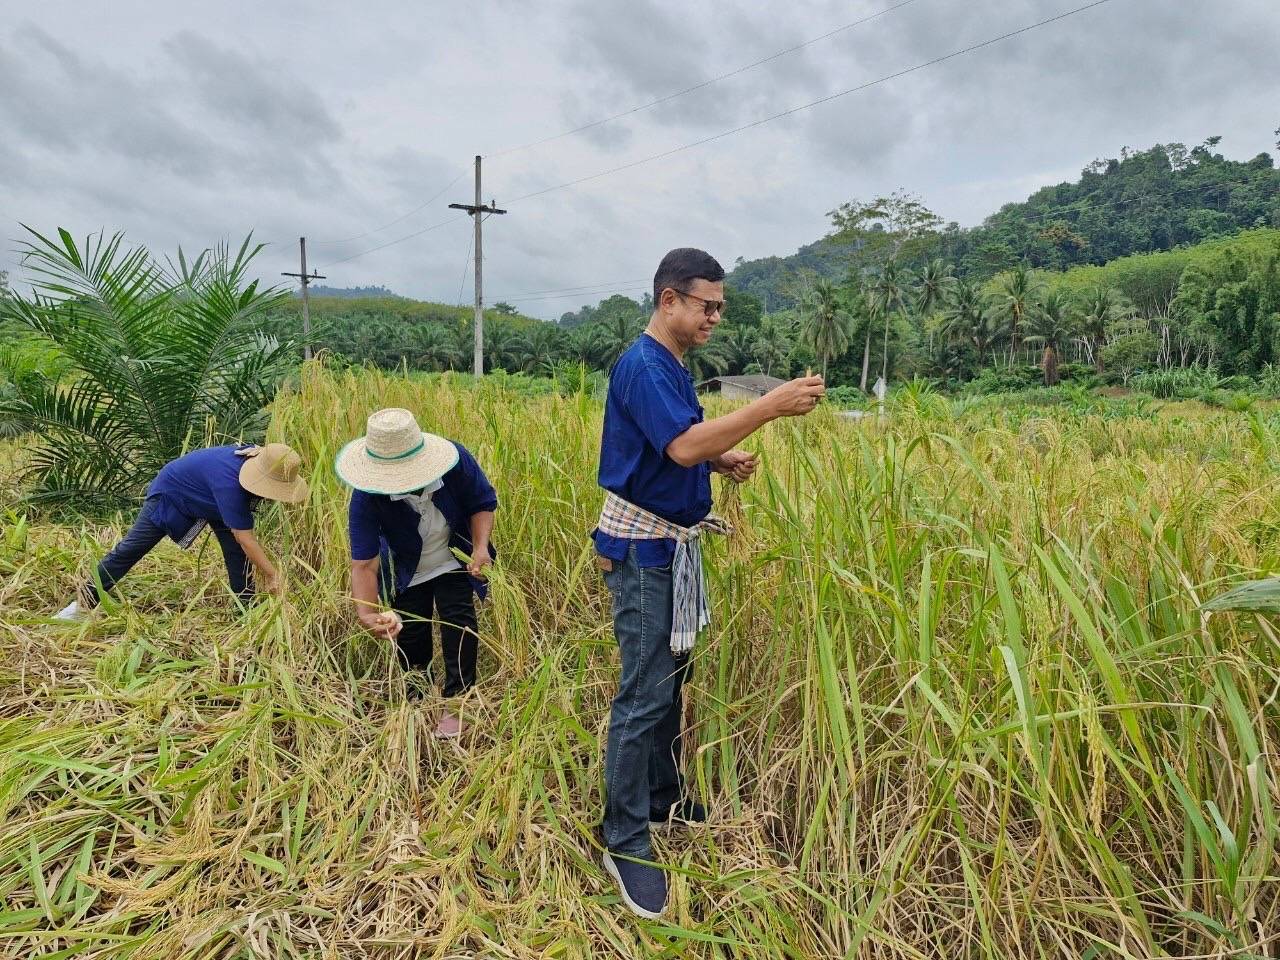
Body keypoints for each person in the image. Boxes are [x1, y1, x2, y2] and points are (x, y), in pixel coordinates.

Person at [592, 247, 825, 918]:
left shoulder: (669, 366)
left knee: (672, 679)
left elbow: (679, 442)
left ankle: (661, 798)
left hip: (673, 546)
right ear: (670, 300)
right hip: (643, 552)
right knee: (643, 692)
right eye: (707, 306)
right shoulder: (642, 364)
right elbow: (679, 446)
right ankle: (625, 837)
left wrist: (718, 459)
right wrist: (770, 406)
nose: (714, 318)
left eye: (719, 307)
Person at [336, 407, 498, 739]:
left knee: (459, 621)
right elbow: (364, 564)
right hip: (405, 569)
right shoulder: (367, 498)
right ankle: (418, 701)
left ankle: (458, 702)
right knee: (410, 633)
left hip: (454, 556)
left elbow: (482, 501)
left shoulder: (455, 464)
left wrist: (481, 547)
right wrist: (367, 614)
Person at [54, 443, 309, 619]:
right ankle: (82, 603)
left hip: (209, 495)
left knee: (236, 556)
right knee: (132, 548)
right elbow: (246, 538)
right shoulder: (229, 486)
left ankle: (245, 611)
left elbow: (241, 543)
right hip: (171, 494)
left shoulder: (261, 456)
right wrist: (273, 575)